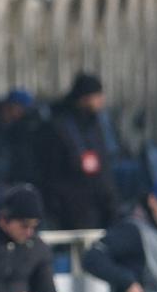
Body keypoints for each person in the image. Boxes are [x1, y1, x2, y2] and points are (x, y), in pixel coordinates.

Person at [38, 73, 119, 229]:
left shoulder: (96, 126)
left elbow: (103, 167)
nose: (101, 101)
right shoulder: (58, 128)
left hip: (99, 205)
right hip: (70, 209)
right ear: (84, 98)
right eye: (97, 96)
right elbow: (52, 172)